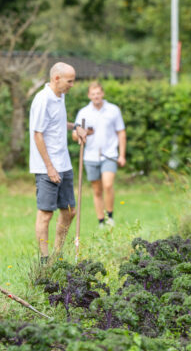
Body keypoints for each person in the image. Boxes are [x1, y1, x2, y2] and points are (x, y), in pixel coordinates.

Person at [29, 62, 87, 263]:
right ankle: (44, 260)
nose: (72, 85)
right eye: (69, 81)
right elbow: (38, 134)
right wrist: (49, 168)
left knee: (70, 211)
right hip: (47, 167)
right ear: (56, 78)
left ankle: (57, 253)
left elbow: (57, 123)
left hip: (64, 163)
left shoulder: (59, 97)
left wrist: (76, 126)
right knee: (46, 214)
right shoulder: (42, 99)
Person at [72, 82, 126, 227]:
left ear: (102, 94)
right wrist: (81, 134)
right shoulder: (84, 112)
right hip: (90, 156)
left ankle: (110, 216)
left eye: (98, 93)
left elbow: (121, 132)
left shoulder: (113, 110)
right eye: (93, 94)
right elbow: (74, 135)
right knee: (97, 190)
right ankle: (101, 220)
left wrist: (122, 155)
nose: (96, 96)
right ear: (89, 96)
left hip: (109, 154)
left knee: (108, 185)